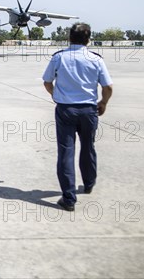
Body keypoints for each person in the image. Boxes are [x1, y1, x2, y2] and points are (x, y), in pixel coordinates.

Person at [42, 23, 113, 211]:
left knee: (66, 151)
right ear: (88, 39)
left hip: (65, 110)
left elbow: (47, 82)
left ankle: (69, 198)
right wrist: (103, 102)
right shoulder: (96, 59)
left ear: (69, 38)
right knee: (88, 146)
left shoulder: (58, 58)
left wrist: (56, 95)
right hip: (89, 111)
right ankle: (89, 184)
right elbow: (108, 87)